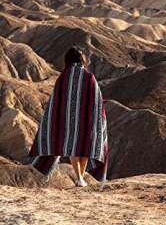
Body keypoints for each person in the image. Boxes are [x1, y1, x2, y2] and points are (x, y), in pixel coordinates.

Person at [29, 46, 108, 187]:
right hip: (85, 121)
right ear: (82, 59)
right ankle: (80, 178)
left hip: (66, 121)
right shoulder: (89, 77)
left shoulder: (63, 77)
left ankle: (80, 178)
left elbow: (55, 102)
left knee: (72, 148)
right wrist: (96, 118)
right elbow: (97, 99)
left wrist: (54, 118)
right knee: (84, 149)